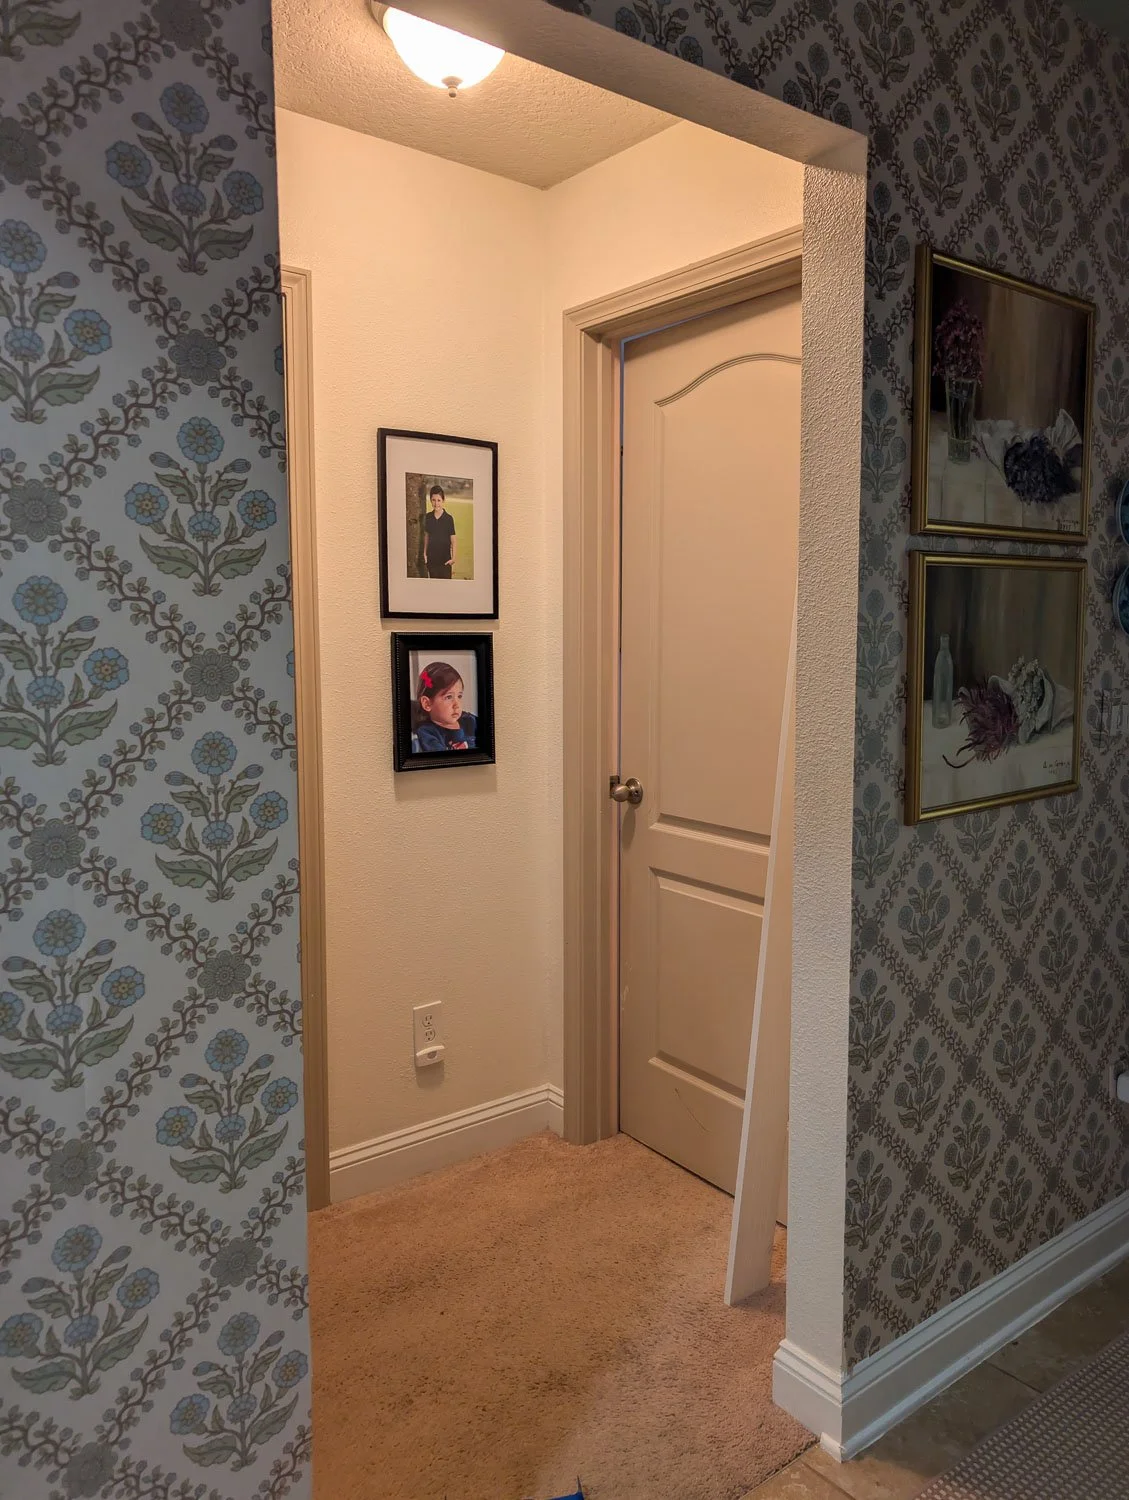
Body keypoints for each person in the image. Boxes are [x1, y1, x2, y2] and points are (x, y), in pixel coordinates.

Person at [412, 662, 477, 752]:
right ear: (427, 704)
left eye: (459, 696)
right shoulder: (427, 732)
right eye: (449, 697)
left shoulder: (469, 720)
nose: (457, 705)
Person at [422, 484, 457, 579]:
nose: (436, 503)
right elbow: (427, 536)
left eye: (438, 500)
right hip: (432, 560)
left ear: (443, 500)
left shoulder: (449, 519)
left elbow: (453, 540)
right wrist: (425, 553)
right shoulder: (428, 517)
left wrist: (453, 558)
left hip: (445, 561)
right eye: (433, 500)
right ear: (430, 500)